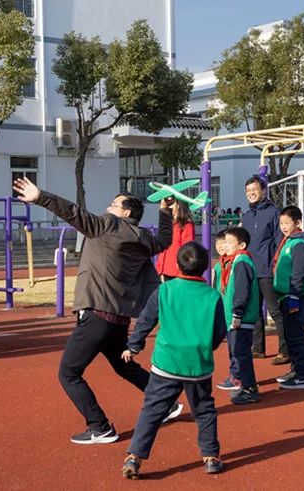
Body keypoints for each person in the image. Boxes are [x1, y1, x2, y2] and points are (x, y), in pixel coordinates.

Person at [13, 177, 179, 445]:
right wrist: (164, 211)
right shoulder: (144, 238)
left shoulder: (108, 225)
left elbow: (73, 212)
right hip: (118, 319)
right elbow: (164, 240)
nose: (108, 207)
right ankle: (167, 403)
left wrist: (40, 196)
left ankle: (100, 426)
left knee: (68, 373)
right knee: (124, 366)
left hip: (97, 315)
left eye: (114, 204)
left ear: (127, 212)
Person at [121, 242, 226, 478]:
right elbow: (220, 330)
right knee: (204, 411)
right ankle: (210, 457)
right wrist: (208, 347)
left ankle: (134, 456)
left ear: (178, 265)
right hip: (197, 364)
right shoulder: (212, 296)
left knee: (152, 411)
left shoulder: (164, 290)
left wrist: (134, 346)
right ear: (204, 268)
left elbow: (146, 320)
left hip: (166, 363)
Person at [241, 176, 287, 365]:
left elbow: (278, 241)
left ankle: (284, 350)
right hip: (251, 270)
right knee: (254, 311)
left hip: (267, 270)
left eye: (254, 189)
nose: (251, 193)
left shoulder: (273, 212)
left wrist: (275, 265)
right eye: (248, 190)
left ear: (263, 191)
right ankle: (258, 348)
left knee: (275, 312)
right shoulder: (246, 215)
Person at [215, 227, 260, 405]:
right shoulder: (234, 262)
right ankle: (243, 383)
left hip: (241, 318)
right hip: (235, 317)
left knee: (242, 354)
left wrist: (237, 313)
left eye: (229, 242)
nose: (225, 245)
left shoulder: (242, 261)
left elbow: (242, 290)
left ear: (241, 245)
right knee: (237, 352)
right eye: (224, 241)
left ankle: (250, 388)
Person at [272, 206, 304, 390]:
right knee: (289, 336)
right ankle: (295, 370)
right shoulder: (288, 242)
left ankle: (303, 376)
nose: (284, 227)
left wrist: (294, 297)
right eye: (281, 223)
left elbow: (299, 273)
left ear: (297, 223)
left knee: (297, 337)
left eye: (287, 223)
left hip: (294, 297)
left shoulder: (299, 245)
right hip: (284, 296)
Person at [155, 198, 195, 281]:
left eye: (170, 205)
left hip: (177, 271)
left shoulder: (186, 226)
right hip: (163, 269)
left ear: (179, 206)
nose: (167, 207)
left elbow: (187, 249)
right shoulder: (168, 225)